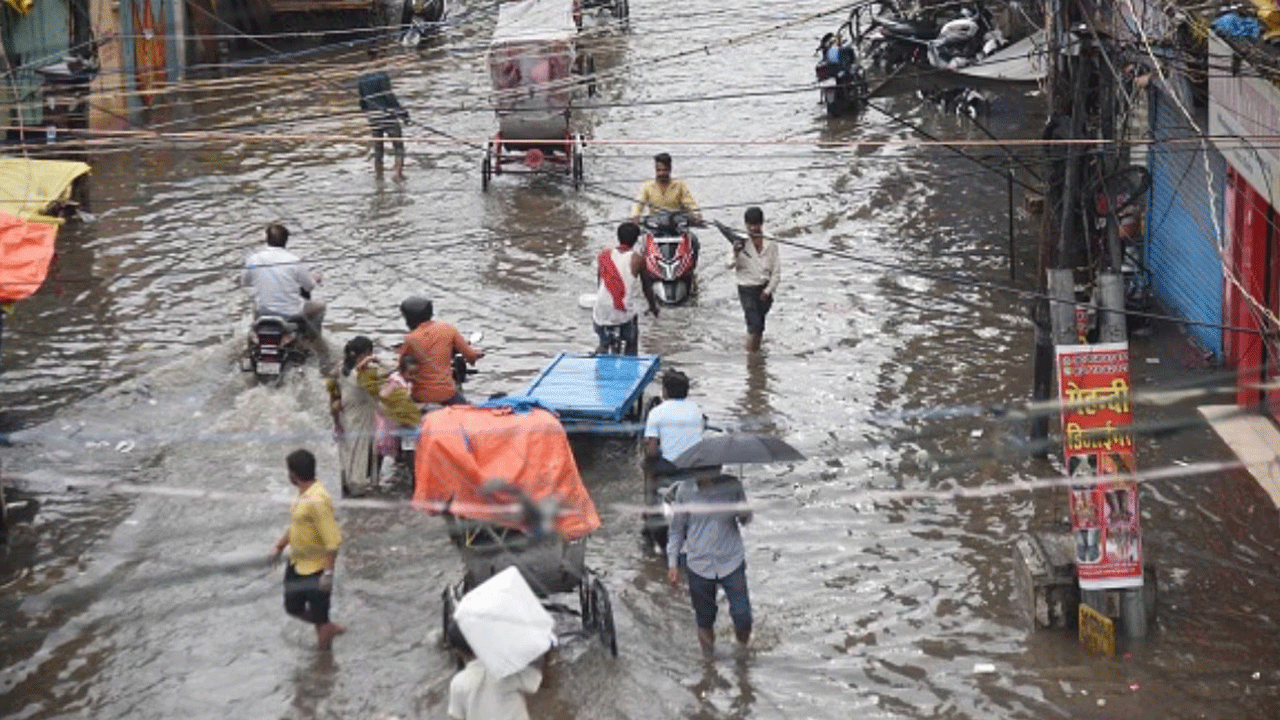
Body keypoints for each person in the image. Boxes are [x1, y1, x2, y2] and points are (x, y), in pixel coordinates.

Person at [666, 464, 753, 658]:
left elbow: (745, 519)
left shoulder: (732, 485)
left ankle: (742, 654)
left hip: (731, 560)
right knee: (704, 620)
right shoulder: (684, 491)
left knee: (743, 617)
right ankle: (708, 662)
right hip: (699, 563)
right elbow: (677, 529)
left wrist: (744, 514)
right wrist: (672, 563)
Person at [270, 448, 346, 649]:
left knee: (320, 624)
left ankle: (324, 658)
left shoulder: (317, 500)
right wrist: (279, 546)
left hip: (316, 570)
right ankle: (327, 626)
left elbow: (333, 540)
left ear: (294, 474)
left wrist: (328, 573)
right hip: (297, 563)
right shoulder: (303, 494)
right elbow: (297, 525)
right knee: (292, 607)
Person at [326, 336, 420, 496]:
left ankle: (346, 493)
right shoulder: (363, 374)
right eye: (370, 353)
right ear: (366, 354)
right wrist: (377, 361)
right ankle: (358, 496)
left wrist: (336, 422)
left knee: (347, 457)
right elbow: (393, 372)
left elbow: (334, 397)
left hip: (345, 417)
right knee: (359, 458)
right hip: (361, 418)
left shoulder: (341, 368)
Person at [642, 369, 705, 548]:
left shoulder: (657, 413)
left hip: (670, 467)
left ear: (665, 391)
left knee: (647, 465)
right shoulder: (696, 411)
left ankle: (649, 511)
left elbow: (652, 451)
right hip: (693, 466)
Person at [446, 621, 546, 720]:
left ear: (459, 652)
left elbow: (456, 716)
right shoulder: (505, 670)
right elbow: (534, 681)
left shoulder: (458, 683)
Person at [241, 223, 326, 337]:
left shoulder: (254, 259)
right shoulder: (294, 261)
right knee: (321, 306)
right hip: (291, 313)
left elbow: (245, 282)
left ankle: (257, 332)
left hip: (263, 312)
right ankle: (314, 338)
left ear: (267, 239)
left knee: (254, 305)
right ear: (286, 240)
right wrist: (315, 279)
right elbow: (309, 286)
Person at [398, 296, 483, 406]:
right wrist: (476, 354)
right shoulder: (448, 328)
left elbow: (402, 367)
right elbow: (470, 355)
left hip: (422, 397)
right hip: (448, 394)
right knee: (468, 409)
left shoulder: (410, 339)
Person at [592, 222, 659, 355]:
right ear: (636, 240)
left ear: (618, 237)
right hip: (623, 314)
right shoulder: (638, 259)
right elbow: (647, 288)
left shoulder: (603, 256)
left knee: (604, 343)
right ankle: (631, 356)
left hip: (600, 312)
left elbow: (600, 284)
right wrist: (653, 307)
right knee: (631, 338)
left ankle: (602, 348)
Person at [725, 206, 780, 352]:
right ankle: (751, 357)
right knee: (754, 326)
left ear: (761, 224)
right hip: (746, 288)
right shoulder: (740, 240)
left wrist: (768, 290)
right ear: (746, 225)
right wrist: (735, 252)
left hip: (764, 288)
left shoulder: (770, 241)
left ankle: (755, 350)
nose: (753, 228)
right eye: (750, 225)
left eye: (756, 225)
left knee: (760, 327)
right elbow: (728, 265)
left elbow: (776, 270)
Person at [357, 46, 410, 177]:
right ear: (374, 59)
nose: (385, 60)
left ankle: (379, 177)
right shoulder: (382, 76)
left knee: (378, 148)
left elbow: (362, 100)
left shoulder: (362, 77)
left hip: (373, 117)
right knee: (398, 146)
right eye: (381, 57)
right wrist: (402, 112)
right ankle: (398, 177)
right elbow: (389, 96)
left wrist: (368, 114)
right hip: (387, 116)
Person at [629, 152, 702, 223]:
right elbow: (639, 203)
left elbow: (690, 203)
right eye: (658, 170)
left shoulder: (680, 185)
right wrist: (635, 216)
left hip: (675, 222)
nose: (661, 173)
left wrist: (696, 216)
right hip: (656, 222)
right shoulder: (647, 186)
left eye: (664, 170)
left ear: (670, 169)